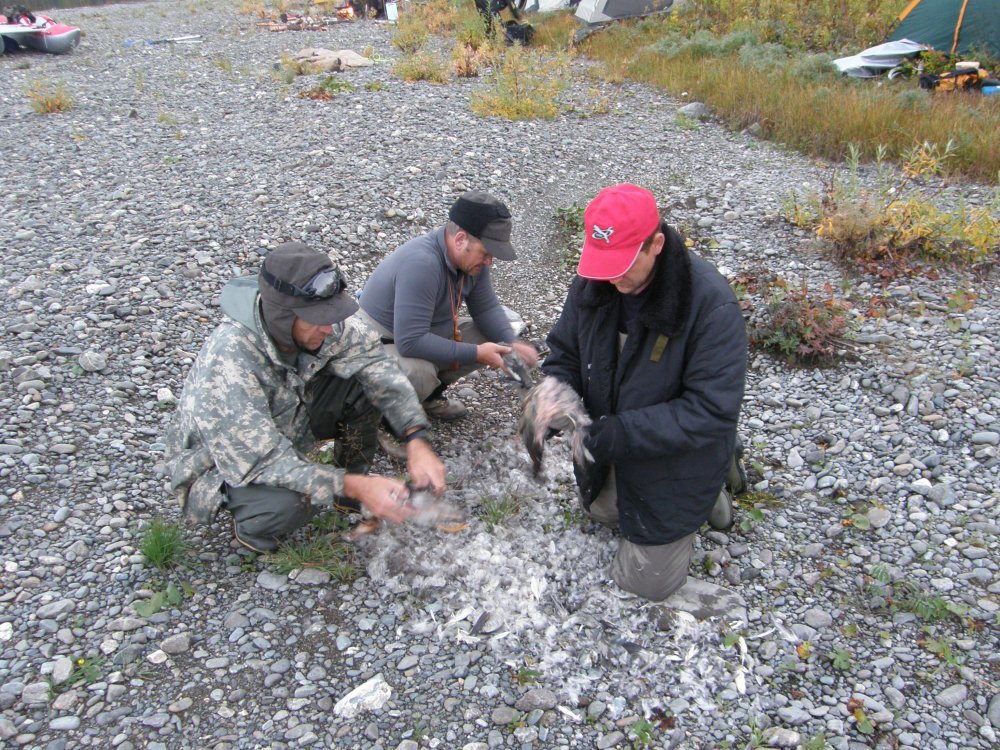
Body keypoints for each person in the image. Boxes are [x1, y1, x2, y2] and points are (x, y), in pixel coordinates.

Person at [164, 241, 447, 553]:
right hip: (226, 465)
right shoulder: (229, 362)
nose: (329, 327)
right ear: (282, 317)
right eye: (318, 318)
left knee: (364, 383)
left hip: (285, 424)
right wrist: (354, 485)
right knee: (292, 501)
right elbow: (263, 463)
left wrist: (416, 438)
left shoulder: (319, 324)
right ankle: (254, 524)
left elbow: (378, 368)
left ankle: (351, 493)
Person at [541, 183, 748, 602]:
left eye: (622, 262)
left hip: (674, 454)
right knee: (601, 513)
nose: (611, 275)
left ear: (655, 244)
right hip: (616, 435)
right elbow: (564, 353)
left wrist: (619, 433)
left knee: (643, 583)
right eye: (603, 262)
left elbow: (711, 410)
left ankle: (716, 476)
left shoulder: (710, 306)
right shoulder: (593, 282)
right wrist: (554, 396)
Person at [357, 190, 539, 422]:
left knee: (490, 337)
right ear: (460, 239)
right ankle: (378, 420)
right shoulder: (422, 264)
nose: (489, 261)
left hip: (422, 332)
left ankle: (427, 397)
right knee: (419, 372)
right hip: (379, 342)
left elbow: (486, 309)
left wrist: (511, 343)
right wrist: (477, 353)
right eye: (486, 253)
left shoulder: (471, 261)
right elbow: (410, 341)